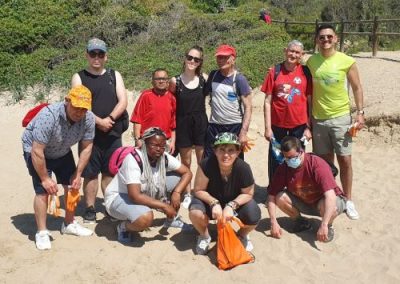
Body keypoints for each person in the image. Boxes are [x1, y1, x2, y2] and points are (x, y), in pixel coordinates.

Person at [22, 85, 95, 250]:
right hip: (36, 151)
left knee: (73, 186)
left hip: (61, 149)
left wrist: (78, 173)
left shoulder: (89, 118)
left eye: (84, 109)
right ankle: (41, 231)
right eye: (76, 107)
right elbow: (37, 150)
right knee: (43, 191)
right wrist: (45, 178)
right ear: (67, 101)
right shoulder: (49, 116)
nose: (80, 112)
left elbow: (87, 147)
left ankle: (69, 223)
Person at [307, 24, 365, 220]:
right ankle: (330, 195)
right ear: (317, 40)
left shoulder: (346, 60)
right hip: (319, 119)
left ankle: (348, 200)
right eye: (322, 37)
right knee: (324, 163)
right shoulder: (311, 62)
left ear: (336, 38)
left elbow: (357, 87)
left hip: (341, 118)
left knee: (345, 160)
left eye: (329, 37)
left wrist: (360, 113)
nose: (325, 40)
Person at [71, 38, 128, 224]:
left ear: (106, 56)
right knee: (90, 173)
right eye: (93, 53)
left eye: (100, 54)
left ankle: (110, 206)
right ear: (86, 55)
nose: (97, 57)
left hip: (113, 133)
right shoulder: (79, 77)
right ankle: (89, 208)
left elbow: (123, 101)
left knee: (110, 172)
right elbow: (79, 106)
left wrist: (110, 120)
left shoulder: (114, 75)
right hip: (88, 134)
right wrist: (99, 122)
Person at [104, 127, 192, 242]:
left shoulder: (163, 157)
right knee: (145, 218)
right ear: (144, 144)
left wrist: (177, 192)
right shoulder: (133, 159)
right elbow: (134, 196)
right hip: (119, 198)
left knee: (179, 179)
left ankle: (171, 219)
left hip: (145, 191)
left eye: (162, 146)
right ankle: (123, 227)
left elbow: (187, 173)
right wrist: (164, 206)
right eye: (154, 145)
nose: (159, 149)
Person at [189, 132, 261, 255]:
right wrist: (213, 202)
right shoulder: (206, 164)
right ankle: (205, 236)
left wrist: (231, 205)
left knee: (253, 213)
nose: (226, 155)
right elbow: (198, 190)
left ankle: (241, 235)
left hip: (234, 203)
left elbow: (248, 194)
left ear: (238, 152)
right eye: (221, 149)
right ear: (215, 151)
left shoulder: (243, 168)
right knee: (195, 212)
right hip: (210, 201)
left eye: (231, 150)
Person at [267, 136, 346, 243]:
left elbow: (330, 196)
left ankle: (328, 225)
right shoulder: (284, 168)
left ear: (301, 151)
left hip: (324, 201)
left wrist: (324, 225)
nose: (289, 161)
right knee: (279, 197)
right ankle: (301, 222)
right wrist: (273, 222)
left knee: (333, 205)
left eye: (292, 157)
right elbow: (271, 195)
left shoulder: (317, 165)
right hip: (305, 200)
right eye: (286, 158)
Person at [261, 40, 312, 184]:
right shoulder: (274, 71)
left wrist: (309, 127)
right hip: (278, 125)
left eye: (297, 52)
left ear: (302, 55)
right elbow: (267, 101)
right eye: (291, 51)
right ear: (285, 51)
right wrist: (267, 128)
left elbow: (310, 101)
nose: (293, 54)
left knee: (297, 159)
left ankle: (296, 189)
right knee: (276, 159)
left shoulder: (306, 72)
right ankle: (273, 190)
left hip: (299, 125)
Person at [169, 45, 208, 207]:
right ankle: (187, 193)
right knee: (186, 161)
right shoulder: (175, 81)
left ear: (200, 62)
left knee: (202, 160)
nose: (192, 61)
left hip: (200, 122)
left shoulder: (204, 79)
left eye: (196, 59)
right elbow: (170, 104)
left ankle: (200, 191)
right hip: (182, 122)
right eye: (190, 57)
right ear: (185, 58)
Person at [204, 44, 253, 159]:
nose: (221, 60)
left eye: (225, 57)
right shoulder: (213, 75)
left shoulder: (239, 79)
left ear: (233, 59)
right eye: (219, 57)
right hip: (214, 126)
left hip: (234, 126)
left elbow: (248, 107)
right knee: (210, 160)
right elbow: (202, 94)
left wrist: (243, 132)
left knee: (234, 161)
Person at [131, 69, 176, 155]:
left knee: (165, 168)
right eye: (158, 79)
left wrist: (172, 142)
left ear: (168, 81)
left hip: (164, 142)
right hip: (146, 141)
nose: (161, 81)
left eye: (164, 78)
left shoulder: (172, 98)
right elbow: (137, 120)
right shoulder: (145, 96)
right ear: (152, 81)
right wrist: (137, 140)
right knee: (144, 167)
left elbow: (173, 124)